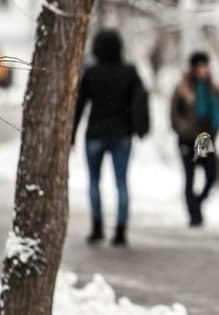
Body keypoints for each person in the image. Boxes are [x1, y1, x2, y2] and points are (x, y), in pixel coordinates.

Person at [72, 30, 148, 246]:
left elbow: (79, 105)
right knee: (121, 183)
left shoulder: (91, 72)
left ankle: (97, 228)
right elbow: (140, 101)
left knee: (94, 182)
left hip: (95, 134)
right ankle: (121, 231)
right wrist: (139, 127)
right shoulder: (129, 72)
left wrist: (71, 135)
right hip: (122, 134)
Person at [171, 51, 219, 227]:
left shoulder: (212, 88)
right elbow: (174, 114)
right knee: (189, 178)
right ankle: (193, 215)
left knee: (211, 176)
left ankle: (197, 203)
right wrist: (183, 129)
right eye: (200, 66)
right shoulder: (183, 88)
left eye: (205, 66)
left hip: (205, 138)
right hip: (187, 139)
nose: (203, 70)